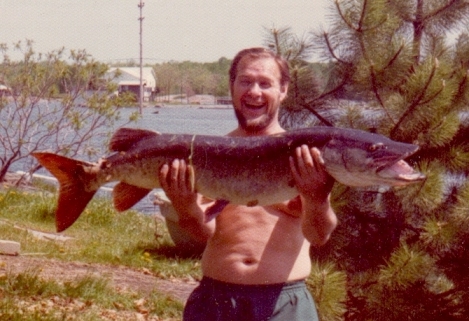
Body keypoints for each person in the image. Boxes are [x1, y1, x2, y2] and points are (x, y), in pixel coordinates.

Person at [158, 47, 337, 321]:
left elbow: (319, 235)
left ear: (283, 90)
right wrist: (185, 205)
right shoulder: (209, 154)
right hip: (216, 300)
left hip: (284, 304)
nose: (254, 91)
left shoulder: (304, 156)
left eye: (265, 83)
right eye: (245, 81)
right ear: (232, 87)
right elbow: (201, 231)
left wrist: (316, 197)